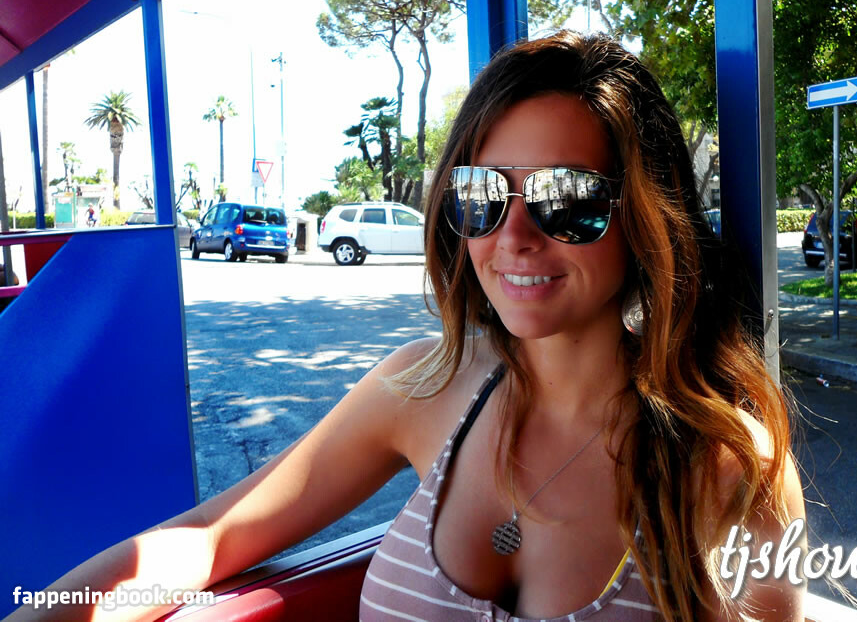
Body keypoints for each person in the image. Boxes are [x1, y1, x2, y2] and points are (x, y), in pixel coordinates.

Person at [5, 31, 804, 622]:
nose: (513, 237)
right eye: (482, 195)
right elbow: (212, 537)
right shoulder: (424, 385)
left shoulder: (730, 466)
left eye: (567, 199)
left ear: (648, 217)